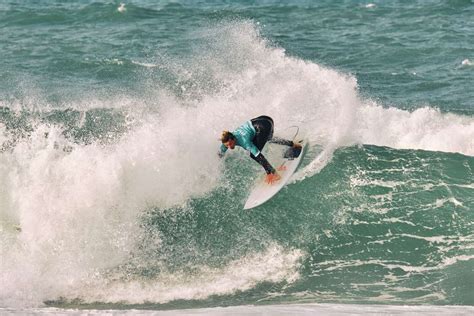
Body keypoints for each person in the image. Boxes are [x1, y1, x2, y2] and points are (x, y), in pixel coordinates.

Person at [219, 115, 300, 184]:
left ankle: (274, 174)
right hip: (265, 119)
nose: (229, 147)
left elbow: (258, 155)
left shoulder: (244, 141)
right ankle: (293, 144)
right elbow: (220, 153)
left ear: (233, 139)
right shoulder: (227, 141)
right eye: (227, 145)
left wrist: (268, 172)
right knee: (268, 138)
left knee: (253, 155)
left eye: (230, 144)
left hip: (264, 126)